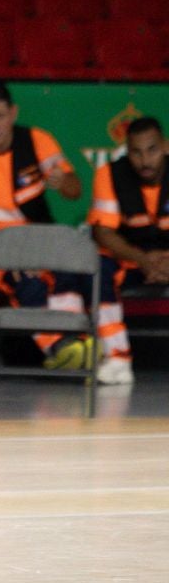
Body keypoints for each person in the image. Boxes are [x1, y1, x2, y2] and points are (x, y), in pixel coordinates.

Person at [0, 80, 132, 383]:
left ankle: (103, 353)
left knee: (80, 272)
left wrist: (62, 181)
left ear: (13, 113)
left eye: (0, 116)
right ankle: (62, 348)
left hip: (40, 240)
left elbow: (74, 189)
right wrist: (11, 255)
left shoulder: (36, 140)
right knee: (25, 280)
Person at [87, 114, 169, 384]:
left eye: (152, 150)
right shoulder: (110, 174)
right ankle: (117, 358)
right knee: (97, 269)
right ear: (127, 150)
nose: (145, 161)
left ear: (165, 146)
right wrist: (143, 260)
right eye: (136, 152)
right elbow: (103, 233)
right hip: (130, 260)